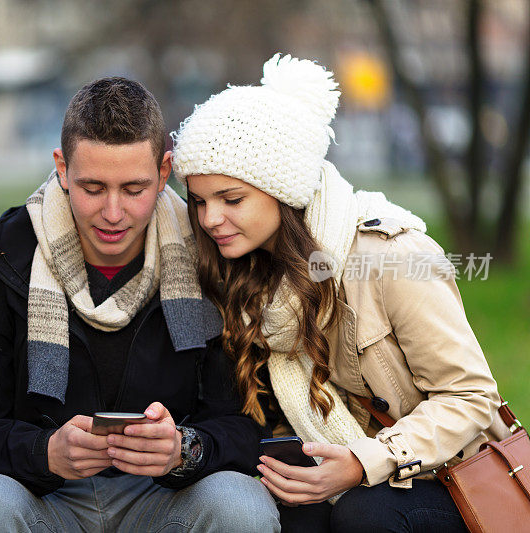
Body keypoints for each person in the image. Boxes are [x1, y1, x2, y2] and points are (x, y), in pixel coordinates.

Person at [171, 53, 514, 532]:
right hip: (338, 472)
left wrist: (364, 462)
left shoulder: (389, 256)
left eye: (232, 200)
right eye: (200, 201)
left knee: (363, 514)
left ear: (284, 191)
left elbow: (471, 396)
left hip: (446, 479)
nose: (210, 220)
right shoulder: (238, 269)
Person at [0, 77, 280, 532]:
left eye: (134, 189)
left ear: (164, 171)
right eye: (93, 188)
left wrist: (185, 448)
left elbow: (249, 421)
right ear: (62, 168)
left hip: (168, 495)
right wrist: (44, 453)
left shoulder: (213, 257)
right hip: (43, 495)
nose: (114, 213)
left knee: (241, 506)